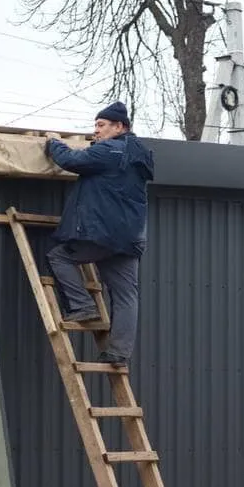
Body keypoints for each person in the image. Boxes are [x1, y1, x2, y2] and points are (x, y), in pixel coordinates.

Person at [42, 101, 155, 367]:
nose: (96, 131)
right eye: (95, 126)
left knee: (59, 257)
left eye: (101, 125)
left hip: (106, 234)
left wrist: (53, 143)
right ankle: (119, 353)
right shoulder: (139, 153)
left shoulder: (111, 150)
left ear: (119, 127)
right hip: (131, 237)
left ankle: (82, 306)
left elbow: (71, 160)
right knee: (126, 295)